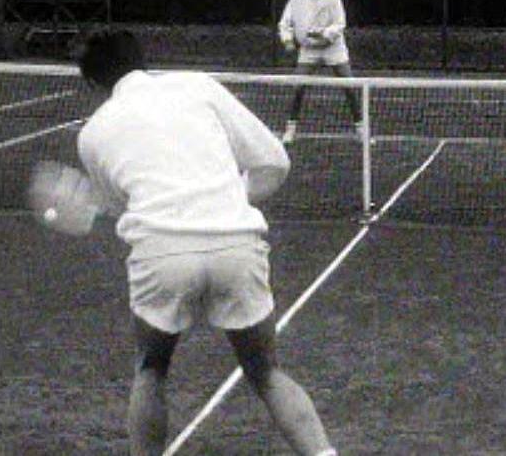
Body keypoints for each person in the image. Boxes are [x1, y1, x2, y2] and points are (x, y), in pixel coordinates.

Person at [75, 31, 337, 456]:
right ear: (143, 60)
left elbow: (120, 206)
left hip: (161, 255)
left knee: (151, 369)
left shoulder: (92, 134)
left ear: (92, 84)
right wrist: (223, 197)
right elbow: (275, 162)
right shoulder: (197, 85)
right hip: (236, 244)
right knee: (266, 372)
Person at [278, 0, 362, 144]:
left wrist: (326, 35)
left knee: (349, 86)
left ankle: (361, 129)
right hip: (308, 50)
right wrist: (287, 41)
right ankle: (290, 129)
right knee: (298, 86)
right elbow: (285, 23)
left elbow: (340, 23)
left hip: (334, 47)